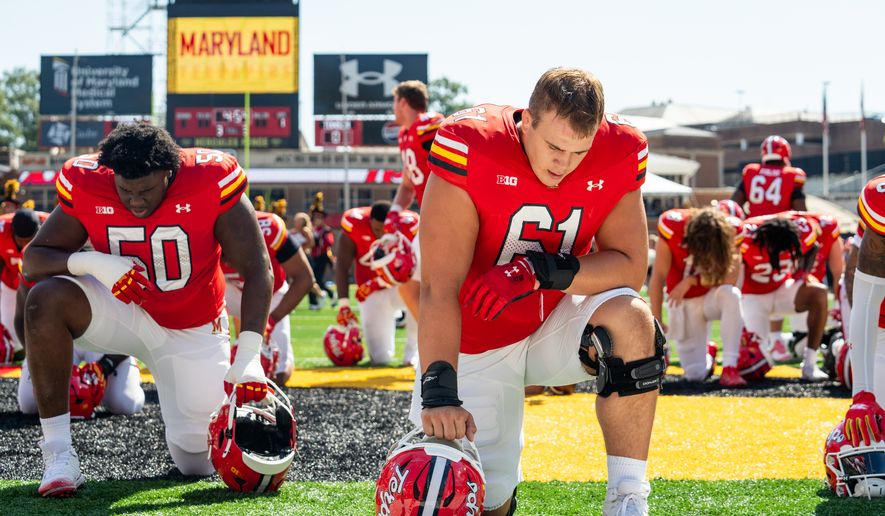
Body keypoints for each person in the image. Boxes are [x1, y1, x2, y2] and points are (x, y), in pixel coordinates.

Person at [412, 68, 663, 515]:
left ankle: (627, 497)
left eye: (579, 151)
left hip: (554, 324)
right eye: (554, 146)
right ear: (527, 120)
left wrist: (538, 269)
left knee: (632, 318)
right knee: (467, 495)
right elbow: (437, 287)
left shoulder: (620, 149)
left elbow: (629, 266)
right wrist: (439, 392)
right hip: (478, 340)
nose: (563, 163)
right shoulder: (473, 144)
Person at [22, 124, 273, 497]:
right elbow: (33, 260)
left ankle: (136, 376)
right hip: (122, 310)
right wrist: (92, 264)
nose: (136, 202)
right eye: (126, 190)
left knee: (195, 460)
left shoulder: (209, 177)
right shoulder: (88, 181)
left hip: (192, 325)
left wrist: (250, 353)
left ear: (169, 173)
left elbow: (258, 268)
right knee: (45, 300)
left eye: (146, 190)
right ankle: (58, 454)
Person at [7, 209, 145, 417]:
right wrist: (37, 357)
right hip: (55, 341)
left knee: (123, 403)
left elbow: (137, 324)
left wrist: (105, 366)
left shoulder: (114, 255)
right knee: (30, 405)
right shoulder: (37, 259)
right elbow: (21, 318)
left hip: (105, 341)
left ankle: (124, 370)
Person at [650, 207, 745, 387]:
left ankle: (730, 368)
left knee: (731, 294)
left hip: (712, 297)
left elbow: (730, 278)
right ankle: (709, 354)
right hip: (683, 301)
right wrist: (658, 324)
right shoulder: (673, 226)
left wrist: (692, 281)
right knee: (695, 374)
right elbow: (658, 277)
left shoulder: (731, 231)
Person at [223, 210, 314, 385]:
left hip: (270, 293)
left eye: (229, 256)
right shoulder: (204, 233)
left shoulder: (270, 229)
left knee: (279, 372)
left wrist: (271, 322)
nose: (227, 263)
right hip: (228, 289)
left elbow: (305, 278)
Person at [737, 214, 829, 380]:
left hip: (782, 289)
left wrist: (803, 273)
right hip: (753, 297)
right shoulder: (746, 235)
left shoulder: (800, 231)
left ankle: (810, 364)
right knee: (757, 363)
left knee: (819, 293)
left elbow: (813, 246)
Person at [385, 80, 445, 319]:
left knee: (438, 285)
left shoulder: (429, 125)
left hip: (447, 216)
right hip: (429, 218)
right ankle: (434, 341)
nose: (393, 108)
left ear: (402, 102)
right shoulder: (405, 134)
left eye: (394, 102)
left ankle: (449, 344)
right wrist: (394, 212)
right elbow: (408, 184)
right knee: (407, 282)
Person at [335, 200, 419, 365]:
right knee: (380, 358)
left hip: (403, 287)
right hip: (372, 293)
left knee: (421, 295)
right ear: (369, 222)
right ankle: (383, 351)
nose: (380, 235)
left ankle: (413, 352)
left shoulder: (410, 225)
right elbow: (342, 266)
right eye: (376, 229)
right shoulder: (355, 223)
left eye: (384, 230)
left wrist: (376, 282)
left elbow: (417, 270)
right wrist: (343, 304)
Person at [839, 175, 885, 449]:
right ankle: (842, 353)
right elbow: (866, 300)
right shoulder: (881, 201)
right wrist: (862, 393)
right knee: (869, 441)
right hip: (883, 329)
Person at [731, 135, 807, 216]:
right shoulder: (794, 175)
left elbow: (734, 205)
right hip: (781, 226)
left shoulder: (751, 172)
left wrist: (747, 219)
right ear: (786, 153)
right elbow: (800, 211)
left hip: (755, 225)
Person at [308, 194, 335, 309]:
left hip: (322, 257)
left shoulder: (326, 230)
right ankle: (313, 302)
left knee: (317, 279)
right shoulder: (311, 230)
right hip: (312, 257)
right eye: (316, 218)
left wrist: (318, 240)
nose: (317, 220)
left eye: (319, 218)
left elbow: (329, 243)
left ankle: (330, 294)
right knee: (309, 279)